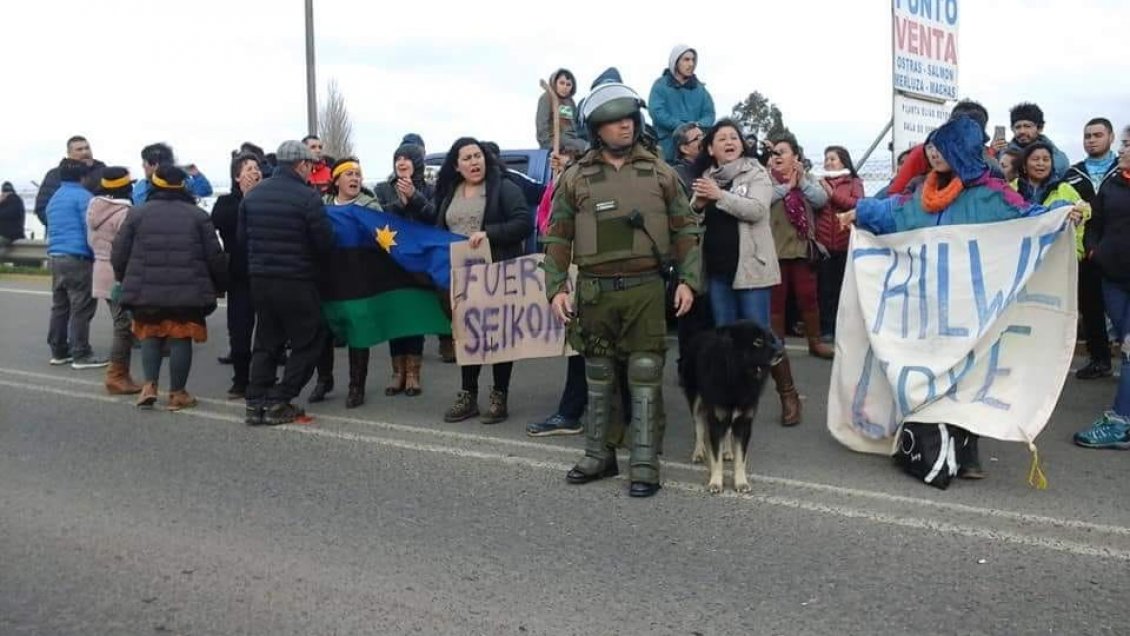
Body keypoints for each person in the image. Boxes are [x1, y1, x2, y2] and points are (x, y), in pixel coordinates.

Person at [840, 116, 1086, 478]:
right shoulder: (923, 189)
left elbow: (1027, 217)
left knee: (968, 374)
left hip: (970, 308)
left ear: (964, 151)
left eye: (943, 146)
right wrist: (860, 212)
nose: (934, 153)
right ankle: (934, 443)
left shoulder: (992, 193)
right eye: (932, 146)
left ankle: (966, 448)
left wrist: (1062, 215)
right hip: (926, 302)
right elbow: (894, 213)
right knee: (930, 372)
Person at [543, 82, 702, 498]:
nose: (625, 127)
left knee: (645, 373)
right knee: (598, 374)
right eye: (615, 122)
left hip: (646, 288)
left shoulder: (660, 172)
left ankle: (645, 461)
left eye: (629, 119)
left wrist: (688, 279)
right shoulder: (575, 177)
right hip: (595, 291)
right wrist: (556, 287)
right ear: (598, 128)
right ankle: (599, 453)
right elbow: (557, 236)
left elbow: (685, 228)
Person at [111, 166, 227, 410]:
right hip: (188, 292)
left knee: (150, 334)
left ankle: (149, 386)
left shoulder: (137, 214)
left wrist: (125, 278)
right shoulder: (198, 216)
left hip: (145, 290)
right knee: (180, 337)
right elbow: (214, 256)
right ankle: (177, 393)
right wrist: (219, 285)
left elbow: (119, 253)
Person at [434, 137, 532, 424]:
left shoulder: (503, 187)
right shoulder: (450, 191)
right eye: (467, 158)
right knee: (469, 335)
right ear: (456, 165)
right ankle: (468, 394)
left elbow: (524, 223)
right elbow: (439, 228)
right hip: (461, 278)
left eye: (478, 156)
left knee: (499, 337)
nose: (474, 162)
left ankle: (499, 395)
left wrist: (489, 232)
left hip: (497, 274)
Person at [241, 140, 335, 426]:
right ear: (302, 165)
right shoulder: (307, 197)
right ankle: (280, 399)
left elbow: (241, 240)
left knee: (267, 340)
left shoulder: (253, 196)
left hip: (260, 280)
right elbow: (324, 243)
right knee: (310, 339)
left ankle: (255, 400)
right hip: (296, 280)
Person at [310, 157, 384, 408]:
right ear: (336, 180)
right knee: (323, 330)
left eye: (358, 174)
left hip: (358, 280)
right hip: (328, 278)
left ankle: (356, 387)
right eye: (349, 174)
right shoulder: (321, 206)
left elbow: (382, 243)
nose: (355, 178)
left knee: (357, 331)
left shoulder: (370, 207)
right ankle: (324, 379)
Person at [1073, 125, 1130, 449]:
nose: (1121, 151)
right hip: (1113, 281)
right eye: (1122, 144)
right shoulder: (1112, 184)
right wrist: (1096, 250)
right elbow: (1096, 221)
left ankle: (1120, 422)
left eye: (1126, 145)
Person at [374, 143, 436, 397]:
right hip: (392, 264)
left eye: (407, 158)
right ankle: (397, 372)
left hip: (420, 263)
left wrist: (415, 197)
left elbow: (435, 217)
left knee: (415, 318)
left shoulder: (430, 189)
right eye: (397, 158)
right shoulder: (382, 189)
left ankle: (413, 374)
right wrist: (399, 204)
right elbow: (378, 220)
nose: (401, 162)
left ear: (416, 163)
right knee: (396, 318)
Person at [767, 134, 833, 366]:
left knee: (808, 296)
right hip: (773, 250)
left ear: (795, 157)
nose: (776, 156)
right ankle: (777, 346)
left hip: (803, 248)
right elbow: (763, 200)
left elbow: (821, 200)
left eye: (782, 151)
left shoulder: (809, 179)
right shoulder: (765, 179)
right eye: (774, 152)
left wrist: (801, 181)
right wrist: (787, 187)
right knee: (776, 299)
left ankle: (815, 342)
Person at [1065, 118, 1120, 380]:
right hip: (1086, 250)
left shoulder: (1123, 168)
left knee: (1122, 309)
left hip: (1122, 251)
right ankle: (1099, 359)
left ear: (1111, 137)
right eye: (1087, 135)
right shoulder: (1072, 173)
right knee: (1091, 307)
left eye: (1098, 134)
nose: (1091, 139)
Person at [45, 159, 107, 369]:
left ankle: (59, 351)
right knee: (81, 306)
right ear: (84, 177)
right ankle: (81, 353)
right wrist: (97, 254)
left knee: (60, 305)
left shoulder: (55, 198)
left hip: (55, 257)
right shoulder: (85, 197)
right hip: (77, 258)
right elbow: (90, 229)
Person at [210, 152, 262, 397]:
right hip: (239, 277)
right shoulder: (227, 203)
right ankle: (241, 379)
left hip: (266, 274)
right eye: (249, 168)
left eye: (257, 168)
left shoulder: (268, 199)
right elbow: (220, 222)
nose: (255, 172)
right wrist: (247, 198)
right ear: (237, 175)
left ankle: (263, 378)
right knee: (240, 330)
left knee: (267, 332)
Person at [86, 168, 141, 394]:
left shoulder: (94, 207)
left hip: (100, 268)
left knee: (122, 324)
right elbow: (128, 247)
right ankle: (117, 375)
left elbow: (91, 241)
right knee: (123, 327)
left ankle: (120, 374)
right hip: (119, 273)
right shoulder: (125, 212)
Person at [814, 146, 864, 341]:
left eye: (833, 159)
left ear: (844, 160)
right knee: (825, 290)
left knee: (844, 290)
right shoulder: (819, 182)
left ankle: (845, 328)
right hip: (824, 245)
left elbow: (857, 204)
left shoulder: (854, 182)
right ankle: (826, 329)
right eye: (826, 159)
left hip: (846, 244)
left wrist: (832, 194)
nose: (828, 162)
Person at [648, 45, 716, 162]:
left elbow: (709, 114)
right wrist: (681, 126)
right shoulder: (660, 85)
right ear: (675, 62)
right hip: (667, 148)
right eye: (686, 59)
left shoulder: (701, 90)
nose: (691, 64)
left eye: (693, 60)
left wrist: (696, 126)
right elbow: (656, 112)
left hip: (694, 152)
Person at [35, 136, 106, 228]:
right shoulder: (55, 176)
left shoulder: (104, 173)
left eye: (87, 148)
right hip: (64, 233)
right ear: (69, 153)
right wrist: (62, 227)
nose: (85, 152)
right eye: (79, 149)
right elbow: (42, 207)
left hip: (100, 233)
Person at [994, 103, 1070, 179]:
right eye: (1018, 127)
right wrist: (991, 154)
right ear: (1012, 129)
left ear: (1040, 128)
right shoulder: (1002, 154)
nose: (1022, 131)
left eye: (1027, 126)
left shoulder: (1058, 158)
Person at [132, 143, 213, 205]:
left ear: (155, 164)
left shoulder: (184, 182)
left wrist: (196, 175)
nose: (142, 166)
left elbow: (205, 191)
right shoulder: (141, 186)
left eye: (144, 162)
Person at [536, 68, 587, 155]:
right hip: (557, 141)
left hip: (572, 139)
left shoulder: (570, 101)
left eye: (568, 84)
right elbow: (542, 125)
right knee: (586, 147)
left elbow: (575, 124)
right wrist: (549, 145)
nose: (565, 87)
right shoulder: (548, 97)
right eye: (561, 83)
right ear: (555, 83)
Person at [670, 123, 704, 189]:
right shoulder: (677, 175)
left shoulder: (711, 166)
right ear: (684, 149)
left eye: (703, 136)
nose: (704, 140)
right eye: (698, 138)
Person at [0, 181, 26, 259]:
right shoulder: (17, 200)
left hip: (8, 235)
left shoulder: (13, 200)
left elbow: (6, 215)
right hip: (14, 234)